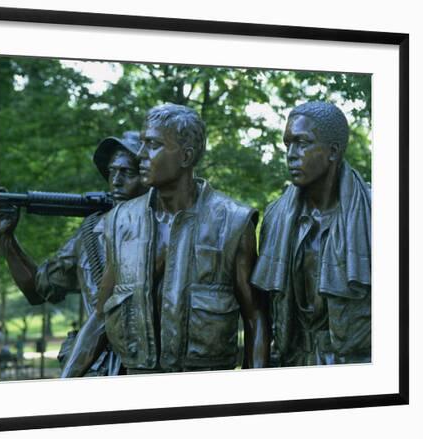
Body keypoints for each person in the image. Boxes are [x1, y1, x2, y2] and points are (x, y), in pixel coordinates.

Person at [61, 104, 269, 376]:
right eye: (143, 143)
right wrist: (65, 381)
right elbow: (100, 317)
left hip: (205, 387)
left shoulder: (233, 223)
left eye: (154, 144)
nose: (141, 155)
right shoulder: (121, 221)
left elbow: (255, 317)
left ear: (186, 156)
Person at [0, 131, 147, 376]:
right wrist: (6, 239)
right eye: (112, 172)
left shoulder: (174, 230)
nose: (116, 181)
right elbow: (38, 290)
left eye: (128, 173)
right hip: (97, 368)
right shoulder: (91, 231)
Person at [251, 101, 371, 367]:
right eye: (287, 144)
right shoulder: (276, 217)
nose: (291, 154)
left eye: (302, 143)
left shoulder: (378, 212)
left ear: (333, 151)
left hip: (356, 367)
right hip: (292, 363)